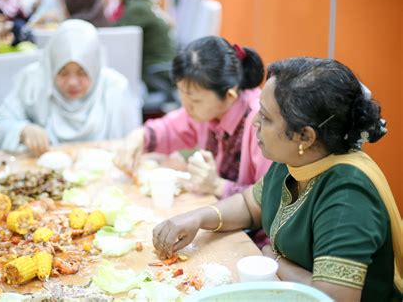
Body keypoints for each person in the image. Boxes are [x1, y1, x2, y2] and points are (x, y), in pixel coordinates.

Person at [152, 57, 402, 301]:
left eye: (266, 118)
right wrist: (197, 217)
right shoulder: (295, 160)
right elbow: (250, 205)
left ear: (305, 136)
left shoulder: (348, 195)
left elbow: (331, 298)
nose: (255, 124)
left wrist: (274, 260)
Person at [115, 36, 271, 199]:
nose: (186, 106)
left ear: (230, 95)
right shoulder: (207, 111)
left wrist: (217, 185)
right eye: (181, 93)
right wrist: (139, 137)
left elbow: (269, 199)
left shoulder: (260, 124)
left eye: (195, 100)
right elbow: (169, 129)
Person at [0, 19, 141, 155]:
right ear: (51, 66)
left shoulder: (115, 88)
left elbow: (134, 142)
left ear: (95, 68)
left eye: (82, 72)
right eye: (62, 72)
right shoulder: (33, 81)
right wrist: (23, 130)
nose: (72, 83)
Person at [114, 0, 176, 94]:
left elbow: (115, 35)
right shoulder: (143, 3)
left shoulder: (137, 9)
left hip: (156, 72)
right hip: (163, 65)